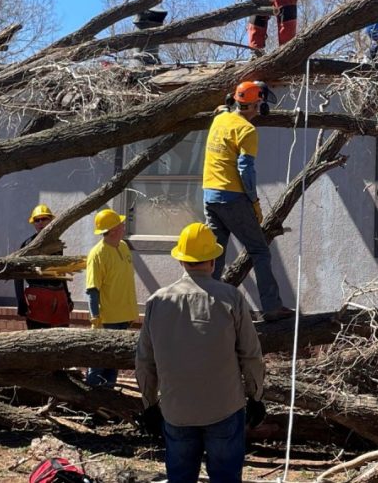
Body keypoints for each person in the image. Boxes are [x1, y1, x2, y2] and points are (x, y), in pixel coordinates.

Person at [136, 222, 266, 483]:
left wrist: (149, 403)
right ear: (213, 260)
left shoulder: (157, 302)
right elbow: (251, 354)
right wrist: (256, 395)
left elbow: (145, 360)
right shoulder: (231, 299)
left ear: (181, 261)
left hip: (177, 410)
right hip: (224, 407)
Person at [202, 80, 293, 321]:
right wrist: (254, 202)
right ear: (256, 105)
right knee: (259, 251)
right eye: (260, 104)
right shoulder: (247, 131)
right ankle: (271, 307)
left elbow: (222, 110)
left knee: (216, 254)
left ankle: (210, 308)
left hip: (209, 195)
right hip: (233, 197)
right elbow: (245, 170)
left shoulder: (219, 119)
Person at [85, 208, 138, 387]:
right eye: (121, 224)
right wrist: (95, 317)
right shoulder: (97, 254)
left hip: (123, 315)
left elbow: (125, 283)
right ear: (113, 229)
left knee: (114, 361)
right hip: (107, 318)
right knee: (99, 360)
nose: (124, 226)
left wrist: (131, 313)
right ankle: (90, 400)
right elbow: (92, 289)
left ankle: (108, 399)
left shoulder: (123, 247)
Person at [14, 204, 74, 329]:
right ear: (33, 223)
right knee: (37, 336)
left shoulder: (57, 245)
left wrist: (67, 296)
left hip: (58, 294)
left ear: (50, 221)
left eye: (44, 219)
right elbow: (17, 274)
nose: (41, 222)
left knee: (60, 335)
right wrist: (21, 301)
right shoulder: (27, 245)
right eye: (37, 220)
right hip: (37, 295)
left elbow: (60, 272)